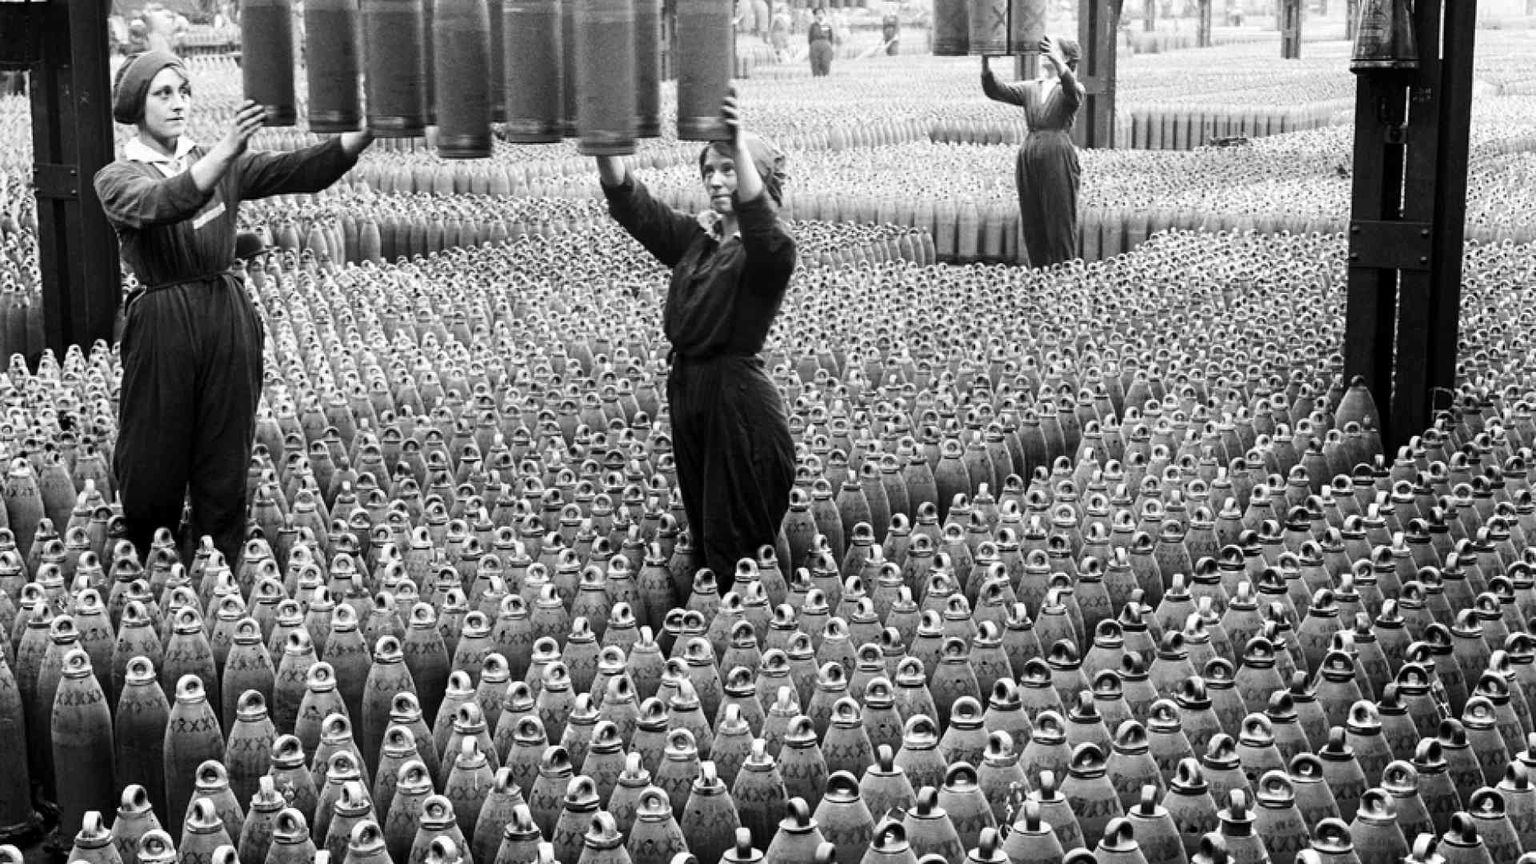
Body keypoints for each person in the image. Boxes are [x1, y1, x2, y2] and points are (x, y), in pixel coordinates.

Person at [94, 51, 374, 568]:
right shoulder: (117, 177)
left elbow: (297, 170)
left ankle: (217, 564)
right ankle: (150, 565)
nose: (179, 104)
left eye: (183, 92)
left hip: (227, 312)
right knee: (153, 452)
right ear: (137, 106)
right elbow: (164, 203)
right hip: (163, 320)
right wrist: (223, 153)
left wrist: (358, 138)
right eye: (163, 93)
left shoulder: (218, 163)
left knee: (225, 449)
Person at [594, 90, 797, 598]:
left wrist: (737, 142)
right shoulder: (697, 241)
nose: (716, 180)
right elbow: (634, 205)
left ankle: (748, 638)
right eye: (709, 171)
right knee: (707, 529)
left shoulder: (770, 252)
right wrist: (601, 138)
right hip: (690, 390)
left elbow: (762, 227)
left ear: (756, 177)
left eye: (728, 169)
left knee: (735, 540)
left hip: (737, 402)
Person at [981, 35, 1085, 268]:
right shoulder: (1032, 88)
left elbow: (1072, 90)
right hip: (1029, 151)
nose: (1044, 53)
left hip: (1056, 150)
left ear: (1066, 58)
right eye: (1044, 50)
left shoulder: (1071, 87)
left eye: (1052, 50)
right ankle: (1039, 271)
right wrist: (985, 63)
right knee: (1032, 216)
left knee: (1059, 215)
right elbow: (998, 91)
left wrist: (1058, 63)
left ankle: (1064, 272)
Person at [807, 7, 835, 76]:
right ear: (815, 15)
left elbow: (830, 36)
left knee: (825, 63)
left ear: (824, 14)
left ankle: (825, 79)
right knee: (815, 64)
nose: (820, 15)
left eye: (821, 13)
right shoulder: (813, 26)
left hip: (826, 45)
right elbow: (810, 38)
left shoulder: (826, 25)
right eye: (818, 13)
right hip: (815, 45)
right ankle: (816, 79)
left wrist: (830, 46)